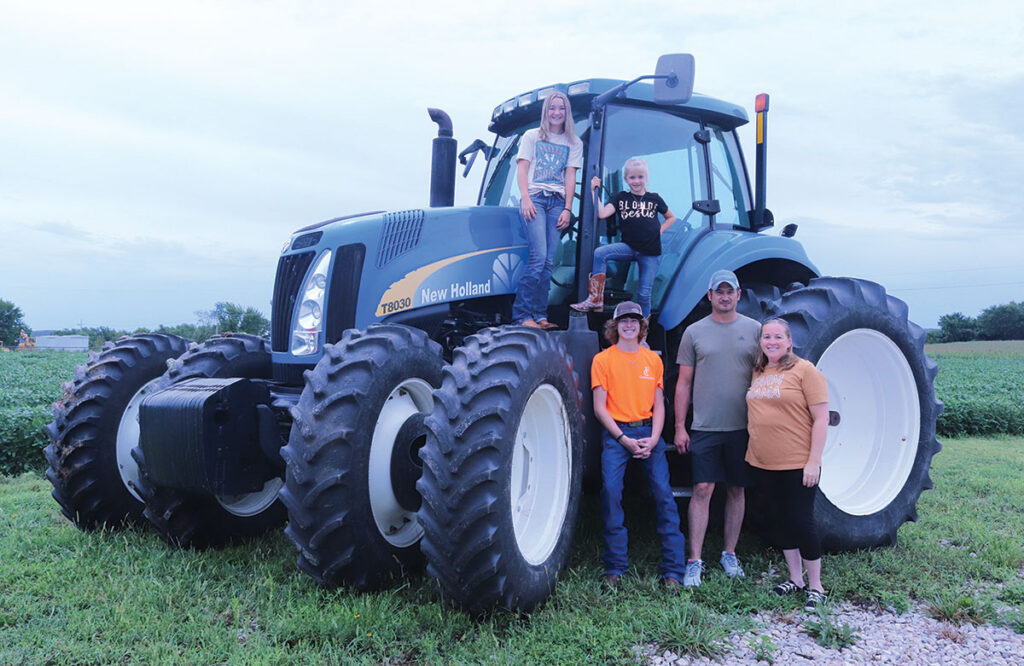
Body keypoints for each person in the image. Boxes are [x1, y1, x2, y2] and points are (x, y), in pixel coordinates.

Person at [673, 269, 760, 588]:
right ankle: (694, 560)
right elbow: (683, 383)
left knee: (737, 490)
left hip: (742, 426)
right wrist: (680, 427)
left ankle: (729, 553)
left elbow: (766, 377)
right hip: (705, 426)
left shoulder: (755, 330)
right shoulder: (694, 333)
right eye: (718, 291)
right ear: (709, 296)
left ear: (739, 295)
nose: (724, 296)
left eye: (730, 291)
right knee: (703, 490)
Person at [592, 301, 687, 590]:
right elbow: (599, 408)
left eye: (635, 321)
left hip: (648, 431)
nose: (629, 325)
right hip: (617, 433)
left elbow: (659, 405)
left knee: (663, 494)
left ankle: (673, 570)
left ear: (642, 327)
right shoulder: (603, 360)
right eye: (624, 321)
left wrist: (655, 438)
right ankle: (615, 566)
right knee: (610, 493)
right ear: (615, 326)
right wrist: (623, 440)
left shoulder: (653, 361)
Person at [745, 318, 830, 611]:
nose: (771, 341)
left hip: (797, 462)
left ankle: (816, 585)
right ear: (761, 342)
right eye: (766, 337)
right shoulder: (759, 371)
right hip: (764, 461)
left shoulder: (805, 370)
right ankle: (795, 579)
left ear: (789, 341)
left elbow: (821, 418)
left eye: (777, 337)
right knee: (778, 519)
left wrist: (814, 461)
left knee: (801, 521)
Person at [511, 91, 583, 329]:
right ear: (546, 111)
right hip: (536, 199)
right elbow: (522, 169)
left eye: (561, 108)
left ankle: (540, 315)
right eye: (552, 108)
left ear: (567, 112)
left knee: (549, 261)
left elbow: (570, 175)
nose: (556, 112)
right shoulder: (532, 136)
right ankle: (522, 315)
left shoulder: (574, 143)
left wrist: (567, 208)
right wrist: (525, 198)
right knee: (538, 257)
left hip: (557, 203)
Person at [571, 158, 676, 318]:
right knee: (600, 253)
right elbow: (603, 213)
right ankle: (596, 298)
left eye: (640, 177)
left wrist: (660, 230)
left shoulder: (654, 198)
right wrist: (594, 191)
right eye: (632, 177)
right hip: (630, 248)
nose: (636, 181)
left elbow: (671, 217)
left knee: (644, 294)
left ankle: (643, 332)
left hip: (650, 252)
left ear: (646, 178)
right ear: (626, 179)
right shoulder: (621, 198)